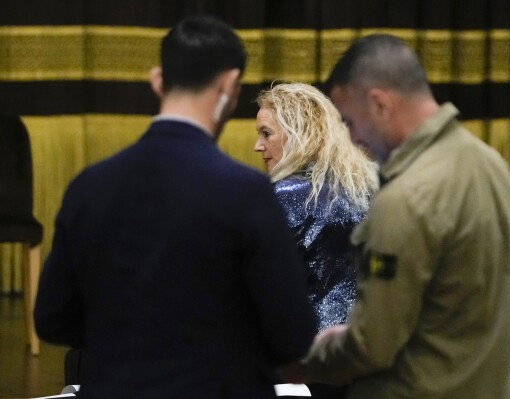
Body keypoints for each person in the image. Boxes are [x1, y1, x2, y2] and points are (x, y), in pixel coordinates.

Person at [34, 15, 317, 399]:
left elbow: (52, 320)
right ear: (230, 86)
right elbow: (292, 336)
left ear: (157, 80)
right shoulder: (248, 193)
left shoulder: (89, 187)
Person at [285, 34, 510, 399]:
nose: (352, 138)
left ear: (379, 103)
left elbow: (371, 346)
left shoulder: (405, 198)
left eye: (349, 121)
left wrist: (302, 361)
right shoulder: (490, 165)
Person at [254, 82, 379, 399]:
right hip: (371, 358)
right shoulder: (370, 190)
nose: (258, 146)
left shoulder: (283, 196)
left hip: (303, 366)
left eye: (266, 133)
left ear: (298, 133)